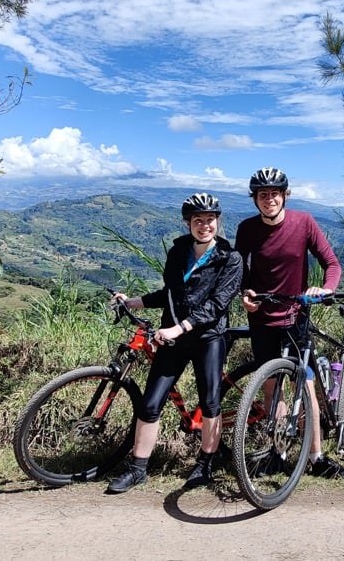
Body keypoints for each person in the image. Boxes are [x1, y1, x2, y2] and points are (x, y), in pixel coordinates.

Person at [106, 193, 243, 494]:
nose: (204, 225)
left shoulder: (230, 259)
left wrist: (179, 328)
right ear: (188, 223)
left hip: (208, 337)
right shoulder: (179, 250)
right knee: (151, 403)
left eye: (209, 220)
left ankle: (206, 463)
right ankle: (137, 468)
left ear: (217, 222)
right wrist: (131, 301)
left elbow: (217, 305)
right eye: (197, 220)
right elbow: (169, 294)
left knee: (210, 402)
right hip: (174, 336)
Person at [235, 167, 344, 479]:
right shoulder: (246, 229)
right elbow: (240, 271)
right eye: (262, 194)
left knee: (307, 386)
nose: (269, 199)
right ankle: (279, 453)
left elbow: (332, 263)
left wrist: (326, 289)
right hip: (261, 318)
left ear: (285, 195)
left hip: (296, 316)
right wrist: (245, 293)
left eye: (274, 193)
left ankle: (316, 457)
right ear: (255, 199)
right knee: (271, 390)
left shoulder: (304, 223)